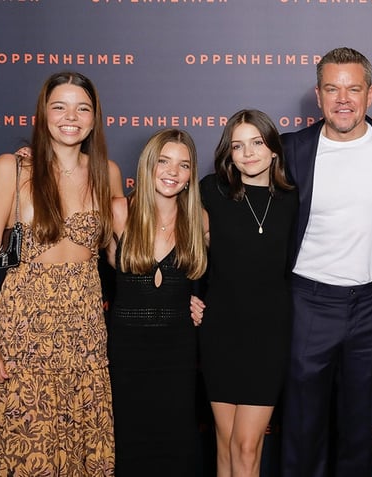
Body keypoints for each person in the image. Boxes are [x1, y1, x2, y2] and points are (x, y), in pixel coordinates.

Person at [0, 71, 123, 475]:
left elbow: (122, 253)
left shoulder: (106, 172)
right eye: (59, 106)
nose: (70, 116)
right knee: (24, 444)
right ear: (43, 114)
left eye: (82, 108)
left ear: (94, 118)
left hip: (85, 328)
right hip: (24, 330)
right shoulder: (12, 169)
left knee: (80, 444)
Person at [279, 46, 372, 477]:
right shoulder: (290, 150)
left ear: (370, 94)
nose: (343, 99)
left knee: (360, 430)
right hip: (309, 302)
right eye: (332, 88)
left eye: (353, 88)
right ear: (318, 95)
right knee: (303, 429)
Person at [199, 109, 297, 477]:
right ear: (229, 153)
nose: (248, 153)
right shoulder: (209, 191)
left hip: (269, 333)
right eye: (238, 146)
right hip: (220, 330)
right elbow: (157, 219)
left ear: (274, 148)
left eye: (257, 142)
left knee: (246, 445)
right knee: (225, 445)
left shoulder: (293, 199)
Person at [106, 128, 208, 476]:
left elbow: (236, 274)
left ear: (191, 174)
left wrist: (202, 301)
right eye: (163, 161)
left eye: (183, 165)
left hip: (177, 353)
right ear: (148, 165)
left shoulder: (200, 220)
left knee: (175, 446)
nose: (172, 172)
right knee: (127, 445)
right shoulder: (119, 212)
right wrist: (32, 163)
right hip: (126, 352)